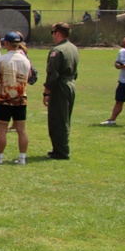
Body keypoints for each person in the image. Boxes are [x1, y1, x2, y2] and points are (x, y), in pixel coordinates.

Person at [0, 31, 32, 165]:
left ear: (7, 43)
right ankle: (22, 158)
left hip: (4, 97)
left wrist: (2, 89)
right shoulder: (25, 60)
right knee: (21, 130)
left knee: (2, 129)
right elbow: (29, 77)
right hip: (21, 97)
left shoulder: (0, 60)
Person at [44, 22, 79, 160]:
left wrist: (47, 92)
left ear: (58, 33)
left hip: (60, 86)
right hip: (70, 83)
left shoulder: (57, 50)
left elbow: (52, 74)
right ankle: (59, 148)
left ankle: (61, 151)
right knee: (65, 117)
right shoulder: (73, 48)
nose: (52, 36)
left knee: (58, 119)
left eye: (52, 33)